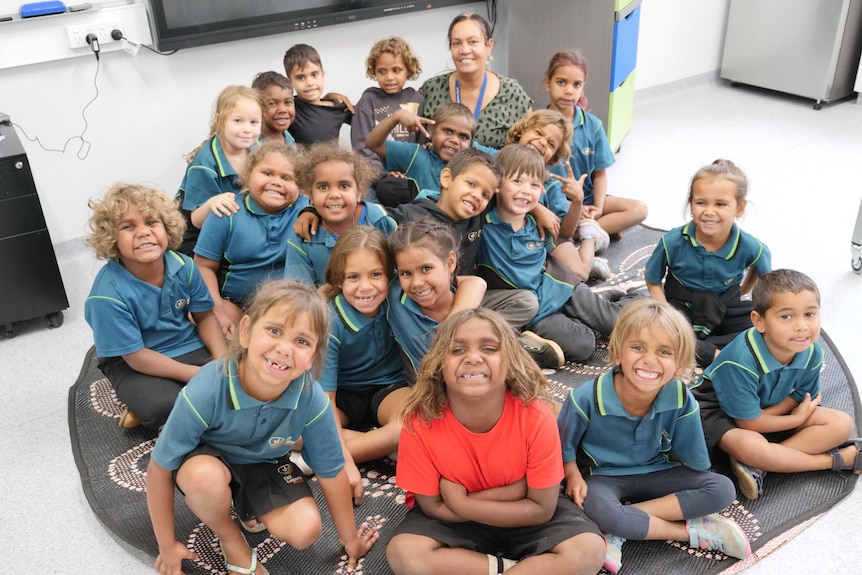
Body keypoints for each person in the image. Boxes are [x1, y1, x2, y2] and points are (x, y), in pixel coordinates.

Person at [146, 280, 378, 575]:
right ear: (245, 332)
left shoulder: (311, 398)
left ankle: (245, 502)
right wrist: (166, 544)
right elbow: (159, 469)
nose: (284, 349)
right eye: (274, 331)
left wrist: (350, 540)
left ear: (313, 357)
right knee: (205, 479)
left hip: (263, 461)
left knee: (305, 530)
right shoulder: (206, 388)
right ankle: (231, 538)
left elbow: (332, 472)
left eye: (302, 341)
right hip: (205, 458)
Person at [386, 307, 606, 575]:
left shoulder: (536, 416)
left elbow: (542, 509)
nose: (473, 358)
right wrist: (516, 489)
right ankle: (512, 568)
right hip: (457, 522)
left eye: (489, 349)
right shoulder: (419, 422)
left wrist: (461, 502)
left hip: (522, 514)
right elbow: (432, 507)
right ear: (438, 368)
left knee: (588, 550)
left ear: (511, 365)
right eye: (457, 351)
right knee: (405, 554)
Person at [558, 299, 751, 574]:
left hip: (658, 470)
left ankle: (620, 526)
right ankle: (691, 533)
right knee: (596, 508)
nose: (649, 359)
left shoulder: (682, 398)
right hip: (604, 476)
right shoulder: (584, 398)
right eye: (637, 347)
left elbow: (693, 460)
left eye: (664, 352)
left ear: (680, 365)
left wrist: (695, 481)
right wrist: (574, 475)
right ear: (616, 354)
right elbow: (562, 445)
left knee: (722, 488)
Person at [693, 269, 861, 501]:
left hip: (766, 408)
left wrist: (780, 415)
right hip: (718, 410)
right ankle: (831, 461)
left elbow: (804, 396)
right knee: (753, 448)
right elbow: (747, 423)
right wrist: (796, 420)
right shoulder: (740, 360)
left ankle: (759, 466)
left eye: (810, 314)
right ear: (759, 321)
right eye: (786, 317)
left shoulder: (811, 351)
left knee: (842, 424)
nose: (802, 326)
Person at [476, 144, 641, 364]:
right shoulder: (481, 222)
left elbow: (565, 234)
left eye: (534, 185)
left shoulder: (539, 222)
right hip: (534, 310)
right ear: (497, 184)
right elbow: (474, 157)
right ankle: (597, 304)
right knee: (584, 345)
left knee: (621, 323)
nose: (526, 190)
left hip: (560, 286)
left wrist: (576, 202)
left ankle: (613, 300)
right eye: (517, 181)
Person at [84, 183, 226, 429]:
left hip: (186, 342)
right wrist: (195, 375)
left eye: (151, 222)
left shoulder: (185, 265)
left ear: (166, 228)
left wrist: (224, 361)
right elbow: (136, 356)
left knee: (245, 375)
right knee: (164, 406)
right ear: (112, 239)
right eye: (128, 226)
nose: (143, 232)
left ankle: (149, 401)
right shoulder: (106, 296)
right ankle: (139, 401)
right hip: (132, 359)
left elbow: (205, 317)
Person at [645, 159, 772, 368]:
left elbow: (767, 283)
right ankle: (718, 354)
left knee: (764, 327)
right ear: (691, 203)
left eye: (720, 204)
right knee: (654, 330)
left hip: (725, 307)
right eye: (701, 202)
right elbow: (652, 280)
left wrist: (744, 289)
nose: (709, 211)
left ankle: (696, 348)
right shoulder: (672, 241)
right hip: (681, 309)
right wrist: (666, 312)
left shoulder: (752, 246)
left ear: (739, 208)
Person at [194, 141, 309, 336]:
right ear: (247, 176)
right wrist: (218, 310)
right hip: (234, 305)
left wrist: (312, 211)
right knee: (203, 317)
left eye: (287, 178)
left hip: (289, 307)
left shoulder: (306, 211)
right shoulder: (226, 212)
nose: (276, 182)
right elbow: (203, 266)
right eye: (267, 173)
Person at [320, 226, 408, 463]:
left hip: (389, 387)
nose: (366, 287)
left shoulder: (398, 297)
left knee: (411, 423)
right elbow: (326, 400)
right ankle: (379, 445)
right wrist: (344, 465)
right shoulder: (331, 322)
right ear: (339, 279)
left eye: (376, 274)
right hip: (343, 394)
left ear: (391, 274)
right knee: (296, 431)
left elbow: (468, 282)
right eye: (353, 277)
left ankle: (323, 455)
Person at [545, 50, 647, 240]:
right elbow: (534, 179)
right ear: (547, 83)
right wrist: (574, 206)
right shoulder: (538, 125)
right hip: (555, 202)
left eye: (577, 85)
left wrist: (598, 209)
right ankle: (596, 230)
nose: (569, 90)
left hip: (588, 198)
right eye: (561, 82)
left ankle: (588, 229)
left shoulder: (593, 125)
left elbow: (600, 175)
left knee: (638, 209)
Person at [503, 109, 611, 282]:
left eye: (551, 144)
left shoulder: (552, 184)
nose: (542, 142)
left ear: (555, 155)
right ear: (522, 130)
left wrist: (577, 201)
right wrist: (537, 208)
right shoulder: (498, 158)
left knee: (580, 274)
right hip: (513, 237)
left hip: (545, 240)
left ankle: (590, 236)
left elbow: (565, 232)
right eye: (538, 132)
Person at [386, 218, 488, 381]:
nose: (416, 283)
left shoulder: (472, 307)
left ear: (450, 262)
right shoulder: (396, 297)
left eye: (426, 269)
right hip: (426, 394)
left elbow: (477, 282)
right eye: (405, 273)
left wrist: (452, 324)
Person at [284, 142, 392, 291]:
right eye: (323, 187)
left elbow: (398, 270)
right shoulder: (303, 237)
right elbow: (297, 293)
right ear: (310, 194)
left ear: (359, 191)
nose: (334, 195)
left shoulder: (377, 219)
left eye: (344, 186)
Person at [420, 12, 532, 149]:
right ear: (450, 48)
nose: (464, 50)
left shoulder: (513, 94)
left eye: (473, 42)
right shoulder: (431, 90)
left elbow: (530, 152)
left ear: (489, 46)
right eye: (457, 43)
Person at [177, 85, 264, 256]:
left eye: (254, 122)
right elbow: (196, 221)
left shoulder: (258, 148)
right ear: (220, 121)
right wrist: (211, 204)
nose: (247, 129)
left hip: (237, 224)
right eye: (238, 121)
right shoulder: (204, 164)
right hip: (197, 236)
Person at [365, 102, 474, 207]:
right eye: (448, 131)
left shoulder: (471, 167)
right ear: (431, 130)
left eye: (463, 137)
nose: (455, 140)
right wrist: (396, 116)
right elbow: (373, 143)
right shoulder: (415, 154)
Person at [352, 36, 425, 172]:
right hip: (377, 177)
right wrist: (383, 175)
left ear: (408, 70)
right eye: (382, 71)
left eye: (396, 70)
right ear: (374, 71)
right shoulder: (368, 102)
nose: (389, 77)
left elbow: (422, 145)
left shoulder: (417, 100)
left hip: (411, 174)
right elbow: (361, 147)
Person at [283, 43, 352, 145]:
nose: (310, 83)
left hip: (333, 160)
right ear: (289, 82)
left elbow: (369, 119)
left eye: (314, 75)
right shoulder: (290, 108)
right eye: (300, 77)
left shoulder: (337, 107)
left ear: (322, 75)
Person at [251, 71, 297, 146]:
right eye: (272, 103)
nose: (282, 110)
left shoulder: (289, 138)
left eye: (288, 102)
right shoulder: (251, 145)